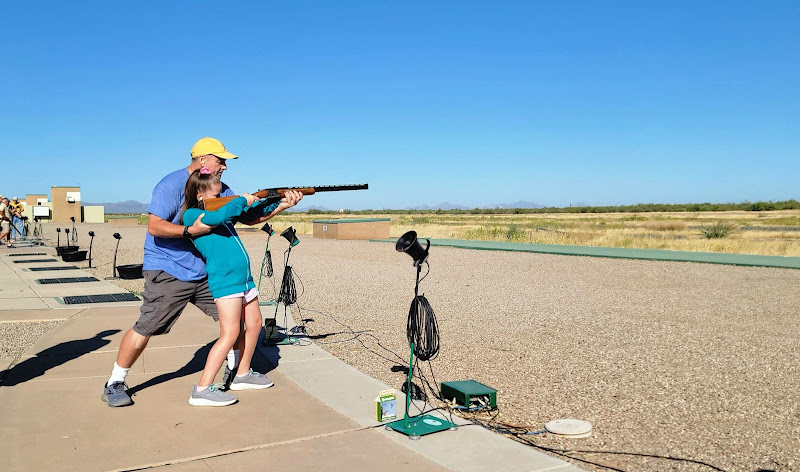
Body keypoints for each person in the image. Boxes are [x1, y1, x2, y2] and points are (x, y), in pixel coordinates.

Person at [101, 137, 302, 407]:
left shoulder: (220, 188)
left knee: (241, 321)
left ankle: (238, 371)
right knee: (147, 327)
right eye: (221, 160)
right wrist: (189, 231)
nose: (225, 167)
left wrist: (281, 204)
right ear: (203, 159)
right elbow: (154, 226)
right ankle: (115, 381)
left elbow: (246, 216)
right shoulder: (171, 185)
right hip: (169, 268)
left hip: (207, 269)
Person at [181, 169, 284, 406]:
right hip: (226, 280)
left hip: (244, 279)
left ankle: (242, 374)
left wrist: (280, 201)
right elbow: (219, 216)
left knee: (255, 324)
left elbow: (249, 212)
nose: (222, 192)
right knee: (230, 334)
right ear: (199, 194)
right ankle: (202, 388)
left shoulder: (222, 212)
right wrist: (242, 200)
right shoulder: (192, 216)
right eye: (216, 189)